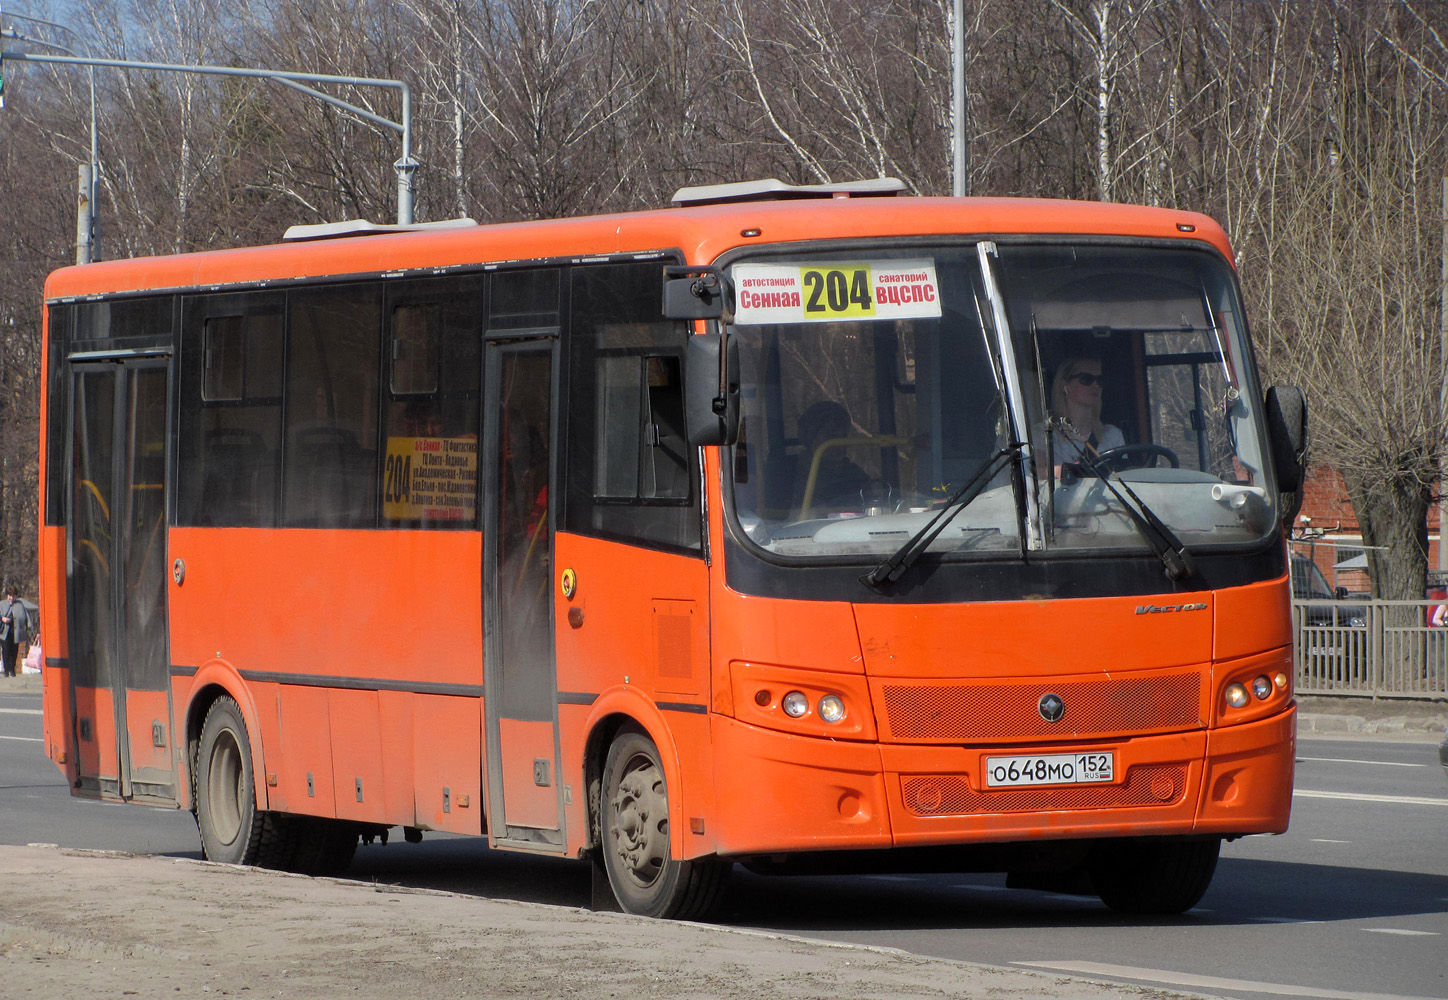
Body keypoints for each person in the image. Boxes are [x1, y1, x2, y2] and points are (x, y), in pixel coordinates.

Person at [791, 400, 871, 512]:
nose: (838, 442)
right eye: (831, 435)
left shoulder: (855, 475)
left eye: (843, 435)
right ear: (811, 438)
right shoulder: (792, 476)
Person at [1048, 357, 1124, 470]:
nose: (1095, 385)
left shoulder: (1112, 435)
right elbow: (1040, 473)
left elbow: (1124, 476)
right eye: (1086, 379)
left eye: (1100, 380)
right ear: (1065, 385)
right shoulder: (1047, 435)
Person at [1, 586, 35, 678]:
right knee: (6, 651)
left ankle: (12, 670)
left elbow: (26, 616)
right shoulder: (2, 604)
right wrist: (2, 619)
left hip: (16, 632)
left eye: (13, 596)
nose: (11, 597)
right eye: (10, 595)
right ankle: (6, 670)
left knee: (14, 651)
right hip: (4, 632)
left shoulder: (20, 605)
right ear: (7, 596)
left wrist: (30, 627)